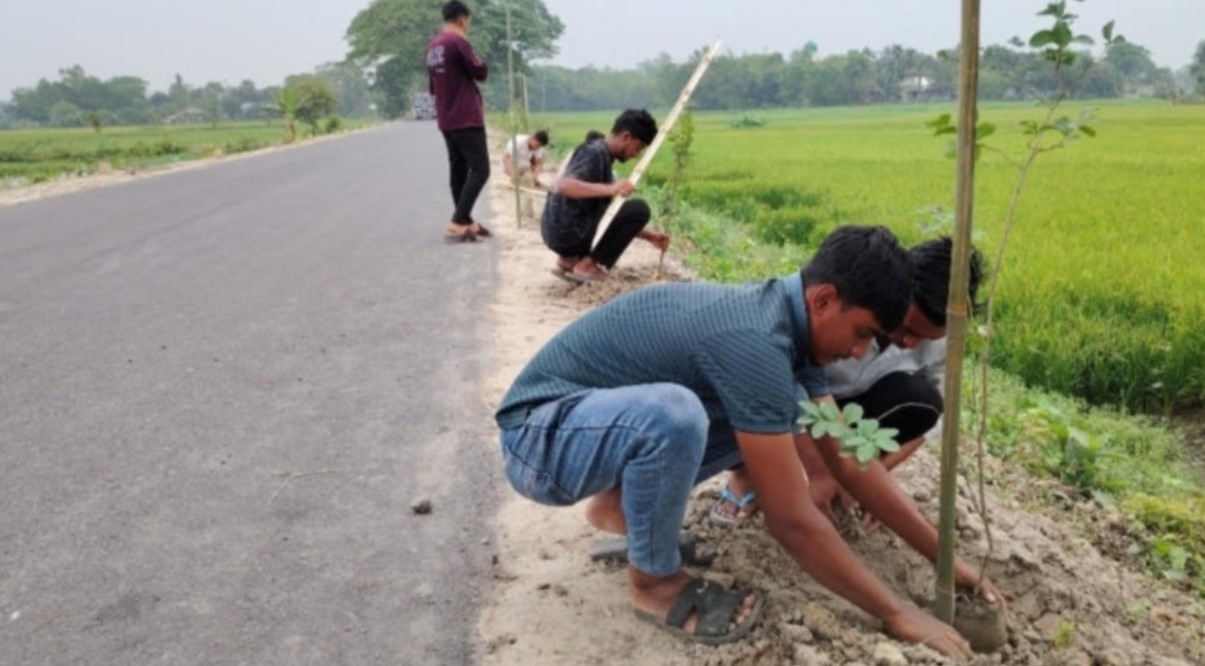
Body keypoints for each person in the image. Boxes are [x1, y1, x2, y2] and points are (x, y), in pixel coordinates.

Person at [495, 226, 975, 657]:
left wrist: (945, 560)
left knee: (776, 407)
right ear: (825, 299)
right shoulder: (755, 341)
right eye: (863, 334)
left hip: (588, 427)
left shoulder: (791, 327)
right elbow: (790, 520)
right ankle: (654, 583)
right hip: (539, 439)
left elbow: (846, 458)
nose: (857, 352)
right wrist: (894, 612)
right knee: (676, 416)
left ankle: (620, 510)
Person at [708, 236, 998, 602]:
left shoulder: (937, 344)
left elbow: (927, 425)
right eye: (905, 328)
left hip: (849, 415)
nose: (909, 343)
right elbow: (788, 386)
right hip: (788, 401)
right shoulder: (834, 313)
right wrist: (817, 476)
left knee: (922, 401)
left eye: (924, 337)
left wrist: (870, 480)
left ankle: (848, 483)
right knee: (763, 395)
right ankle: (748, 473)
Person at [542, 110, 669, 284]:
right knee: (639, 209)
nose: (636, 154)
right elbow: (562, 186)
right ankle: (587, 266)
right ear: (626, 137)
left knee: (613, 208)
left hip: (562, 235)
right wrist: (611, 189)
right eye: (638, 147)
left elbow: (610, 218)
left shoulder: (604, 158)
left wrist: (649, 236)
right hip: (567, 234)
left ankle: (569, 259)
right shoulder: (595, 151)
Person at [426, 1, 491, 243]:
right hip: (466, 116)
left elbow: (433, 86)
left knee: (459, 169)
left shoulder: (433, 46)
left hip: (446, 117)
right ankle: (458, 219)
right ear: (463, 19)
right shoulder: (458, 41)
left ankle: (465, 221)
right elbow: (480, 71)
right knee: (481, 169)